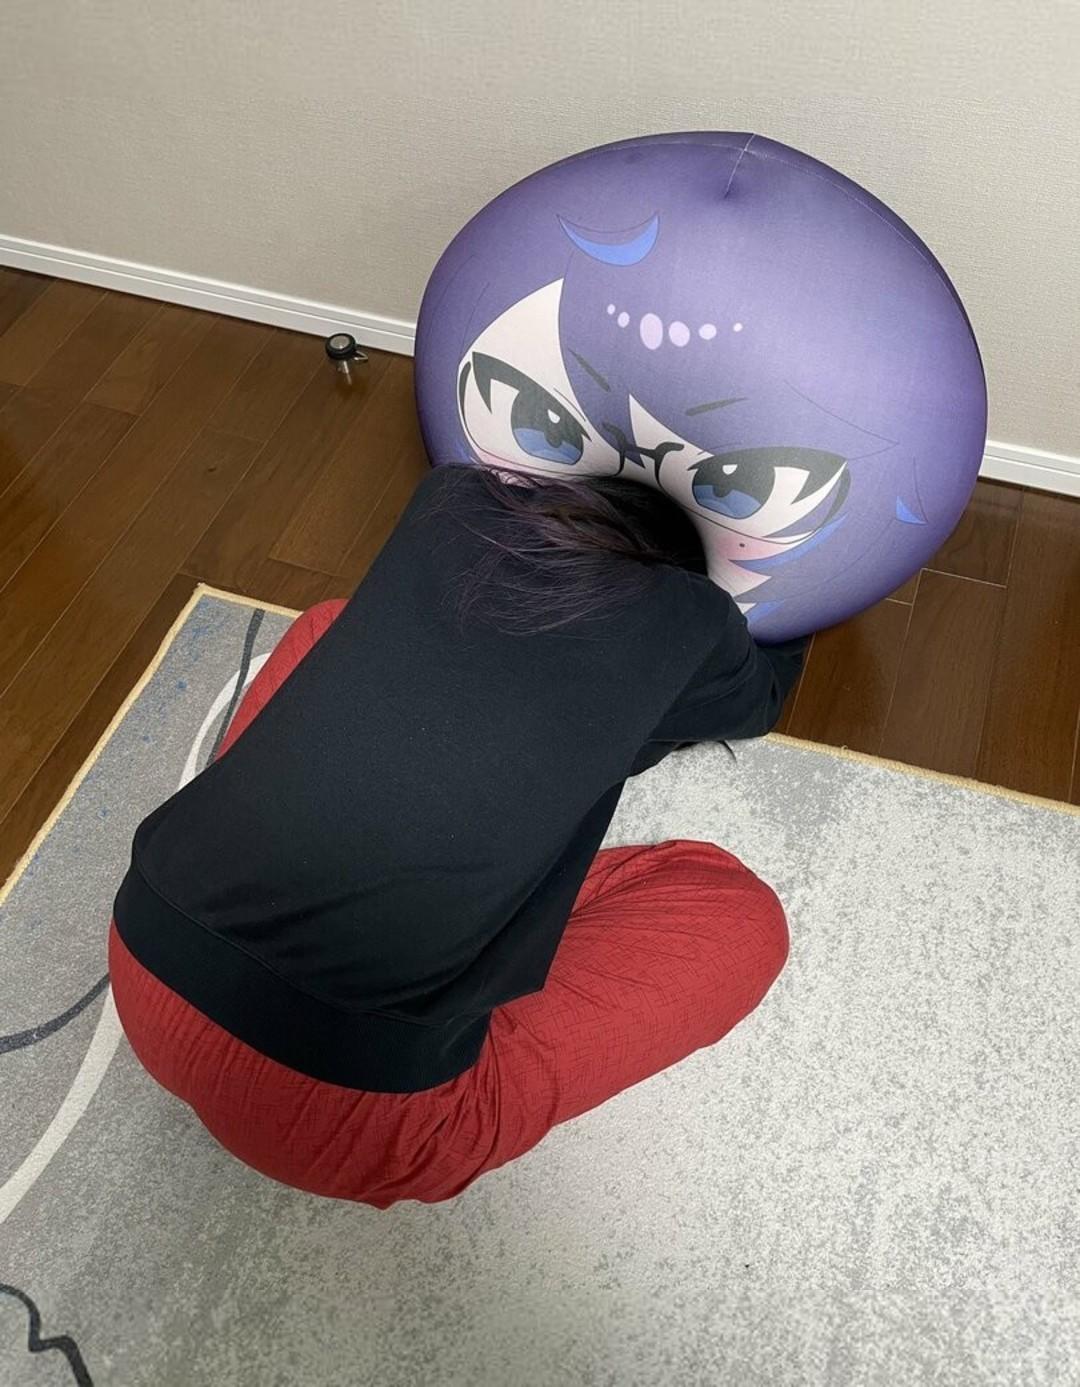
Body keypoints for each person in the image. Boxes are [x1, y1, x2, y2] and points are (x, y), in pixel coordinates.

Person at [108, 460, 808, 1210]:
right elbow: (759, 700)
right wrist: (812, 593)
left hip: (144, 963)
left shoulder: (449, 497)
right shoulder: (696, 621)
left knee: (330, 624)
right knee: (743, 918)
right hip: (352, 1121)